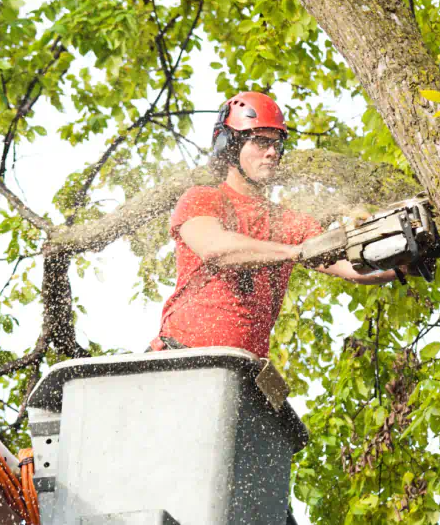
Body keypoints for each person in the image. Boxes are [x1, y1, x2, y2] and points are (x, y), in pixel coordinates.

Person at [150, 91, 400, 356]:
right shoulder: (204, 198)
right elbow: (215, 248)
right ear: (230, 145)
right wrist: (293, 252)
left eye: (276, 145)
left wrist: (401, 263)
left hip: (243, 368)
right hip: (180, 358)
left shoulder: (289, 222)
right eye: (260, 142)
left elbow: (351, 267)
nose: (271, 152)